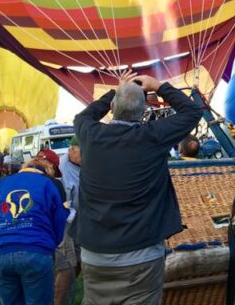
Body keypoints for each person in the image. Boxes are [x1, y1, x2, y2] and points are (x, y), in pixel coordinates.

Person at [73, 71, 204, 305]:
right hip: (141, 255)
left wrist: (117, 89)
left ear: (113, 107)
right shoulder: (152, 136)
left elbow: (83, 116)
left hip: (95, 255)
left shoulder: (90, 134)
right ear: (143, 111)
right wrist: (159, 86)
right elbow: (193, 111)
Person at [0, 154, 68, 305]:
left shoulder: (2, 185)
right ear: (47, 171)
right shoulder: (47, 184)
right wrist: (51, 243)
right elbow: (59, 219)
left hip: (2, 252)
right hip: (36, 251)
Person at [54, 137, 82, 305]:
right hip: (64, 223)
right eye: (82, 152)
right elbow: (61, 205)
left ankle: (65, 295)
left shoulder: (85, 164)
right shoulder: (61, 169)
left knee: (79, 261)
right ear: (72, 149)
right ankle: (57, 301)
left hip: (81, 222)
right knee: (67, 266)